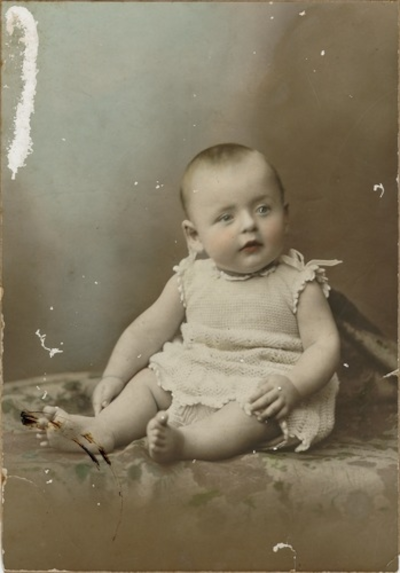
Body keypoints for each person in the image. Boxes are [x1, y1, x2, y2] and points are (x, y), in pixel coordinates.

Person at [36, 143, 341, 463]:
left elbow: (324, 345)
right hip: (198, 372)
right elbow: (146, 332)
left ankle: (186, 442)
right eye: (227, 217)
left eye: (263, 209)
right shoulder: (190, 278)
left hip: (266, 386)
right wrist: (115, 376)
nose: (249, 224)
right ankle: (104, 430)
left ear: (286, 215)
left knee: (249, 413)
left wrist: (292, 385)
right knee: (149, 383)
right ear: (195, 236)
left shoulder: (298, 282)